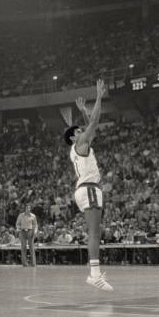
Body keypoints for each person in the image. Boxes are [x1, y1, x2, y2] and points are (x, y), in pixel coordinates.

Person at [64, 79, 113, 291]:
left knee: (95, 232)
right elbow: (94, 123)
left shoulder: (79, 147)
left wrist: (84, 109)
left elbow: (89, 129)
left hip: (84, 189)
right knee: (94, 233)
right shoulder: (80, 144)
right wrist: (99, 97)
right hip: (89, 188)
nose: (80, 130)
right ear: (73, 138)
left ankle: (94, 272)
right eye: (77, 130)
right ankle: (94, 274)